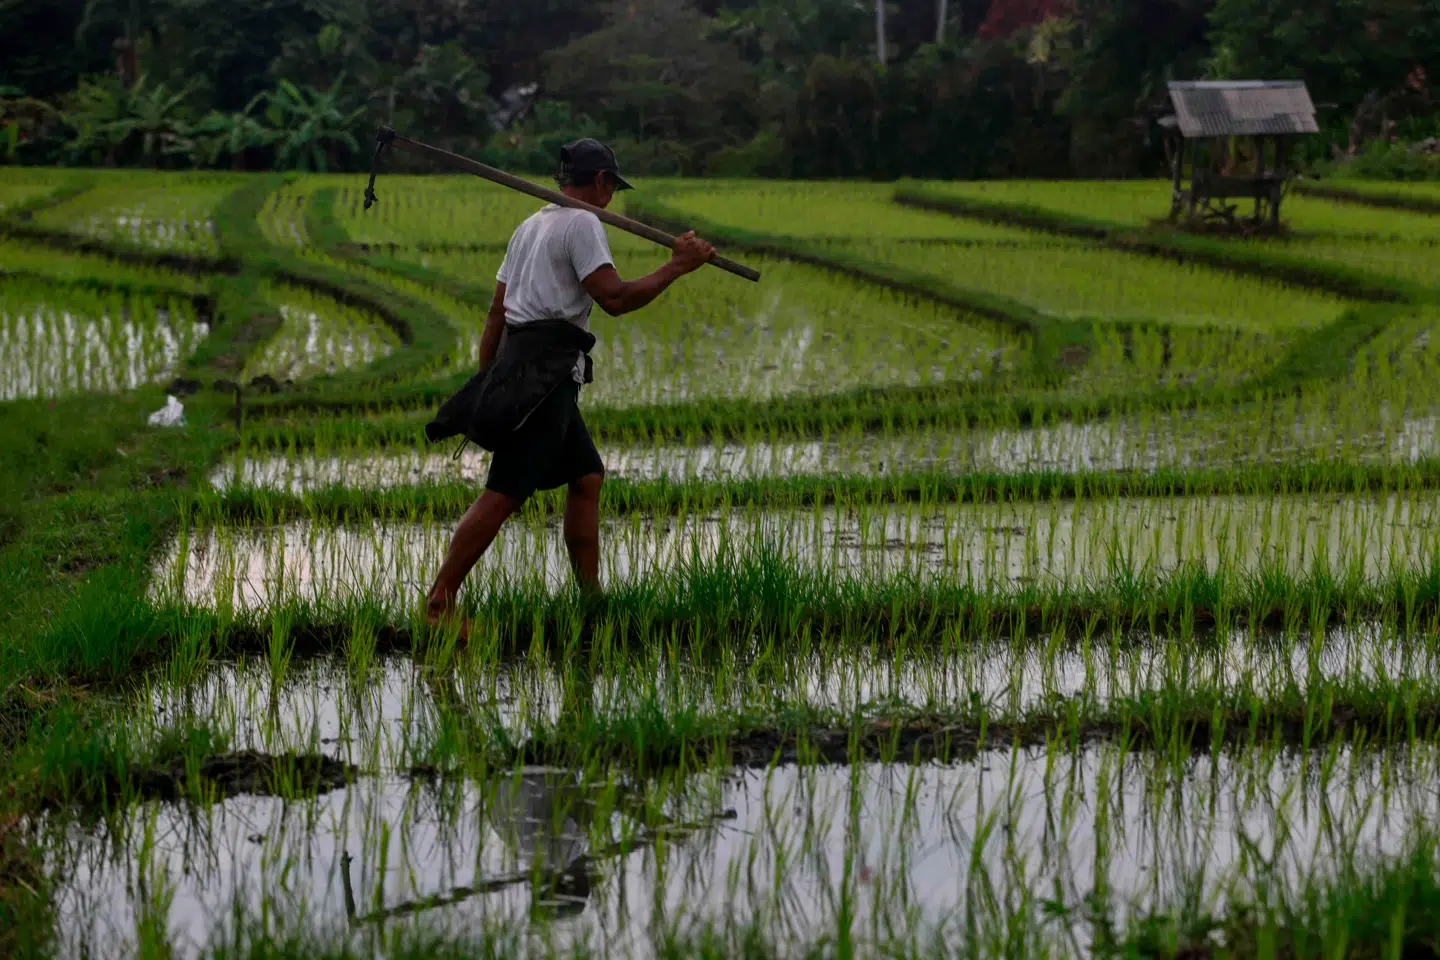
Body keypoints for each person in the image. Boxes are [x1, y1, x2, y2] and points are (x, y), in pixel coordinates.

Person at [425, 138, 715, 632]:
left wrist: (490, 376)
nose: (612, 196)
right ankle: (439, 603)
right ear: (601, 181)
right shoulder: (582, 222)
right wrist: (676, 266)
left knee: (586, 478)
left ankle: (591, 602)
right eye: (612, 186)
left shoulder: (529, 227)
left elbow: (498, 311)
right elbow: (616, 299)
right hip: (544, 374)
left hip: (531, 367)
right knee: (506, 490)